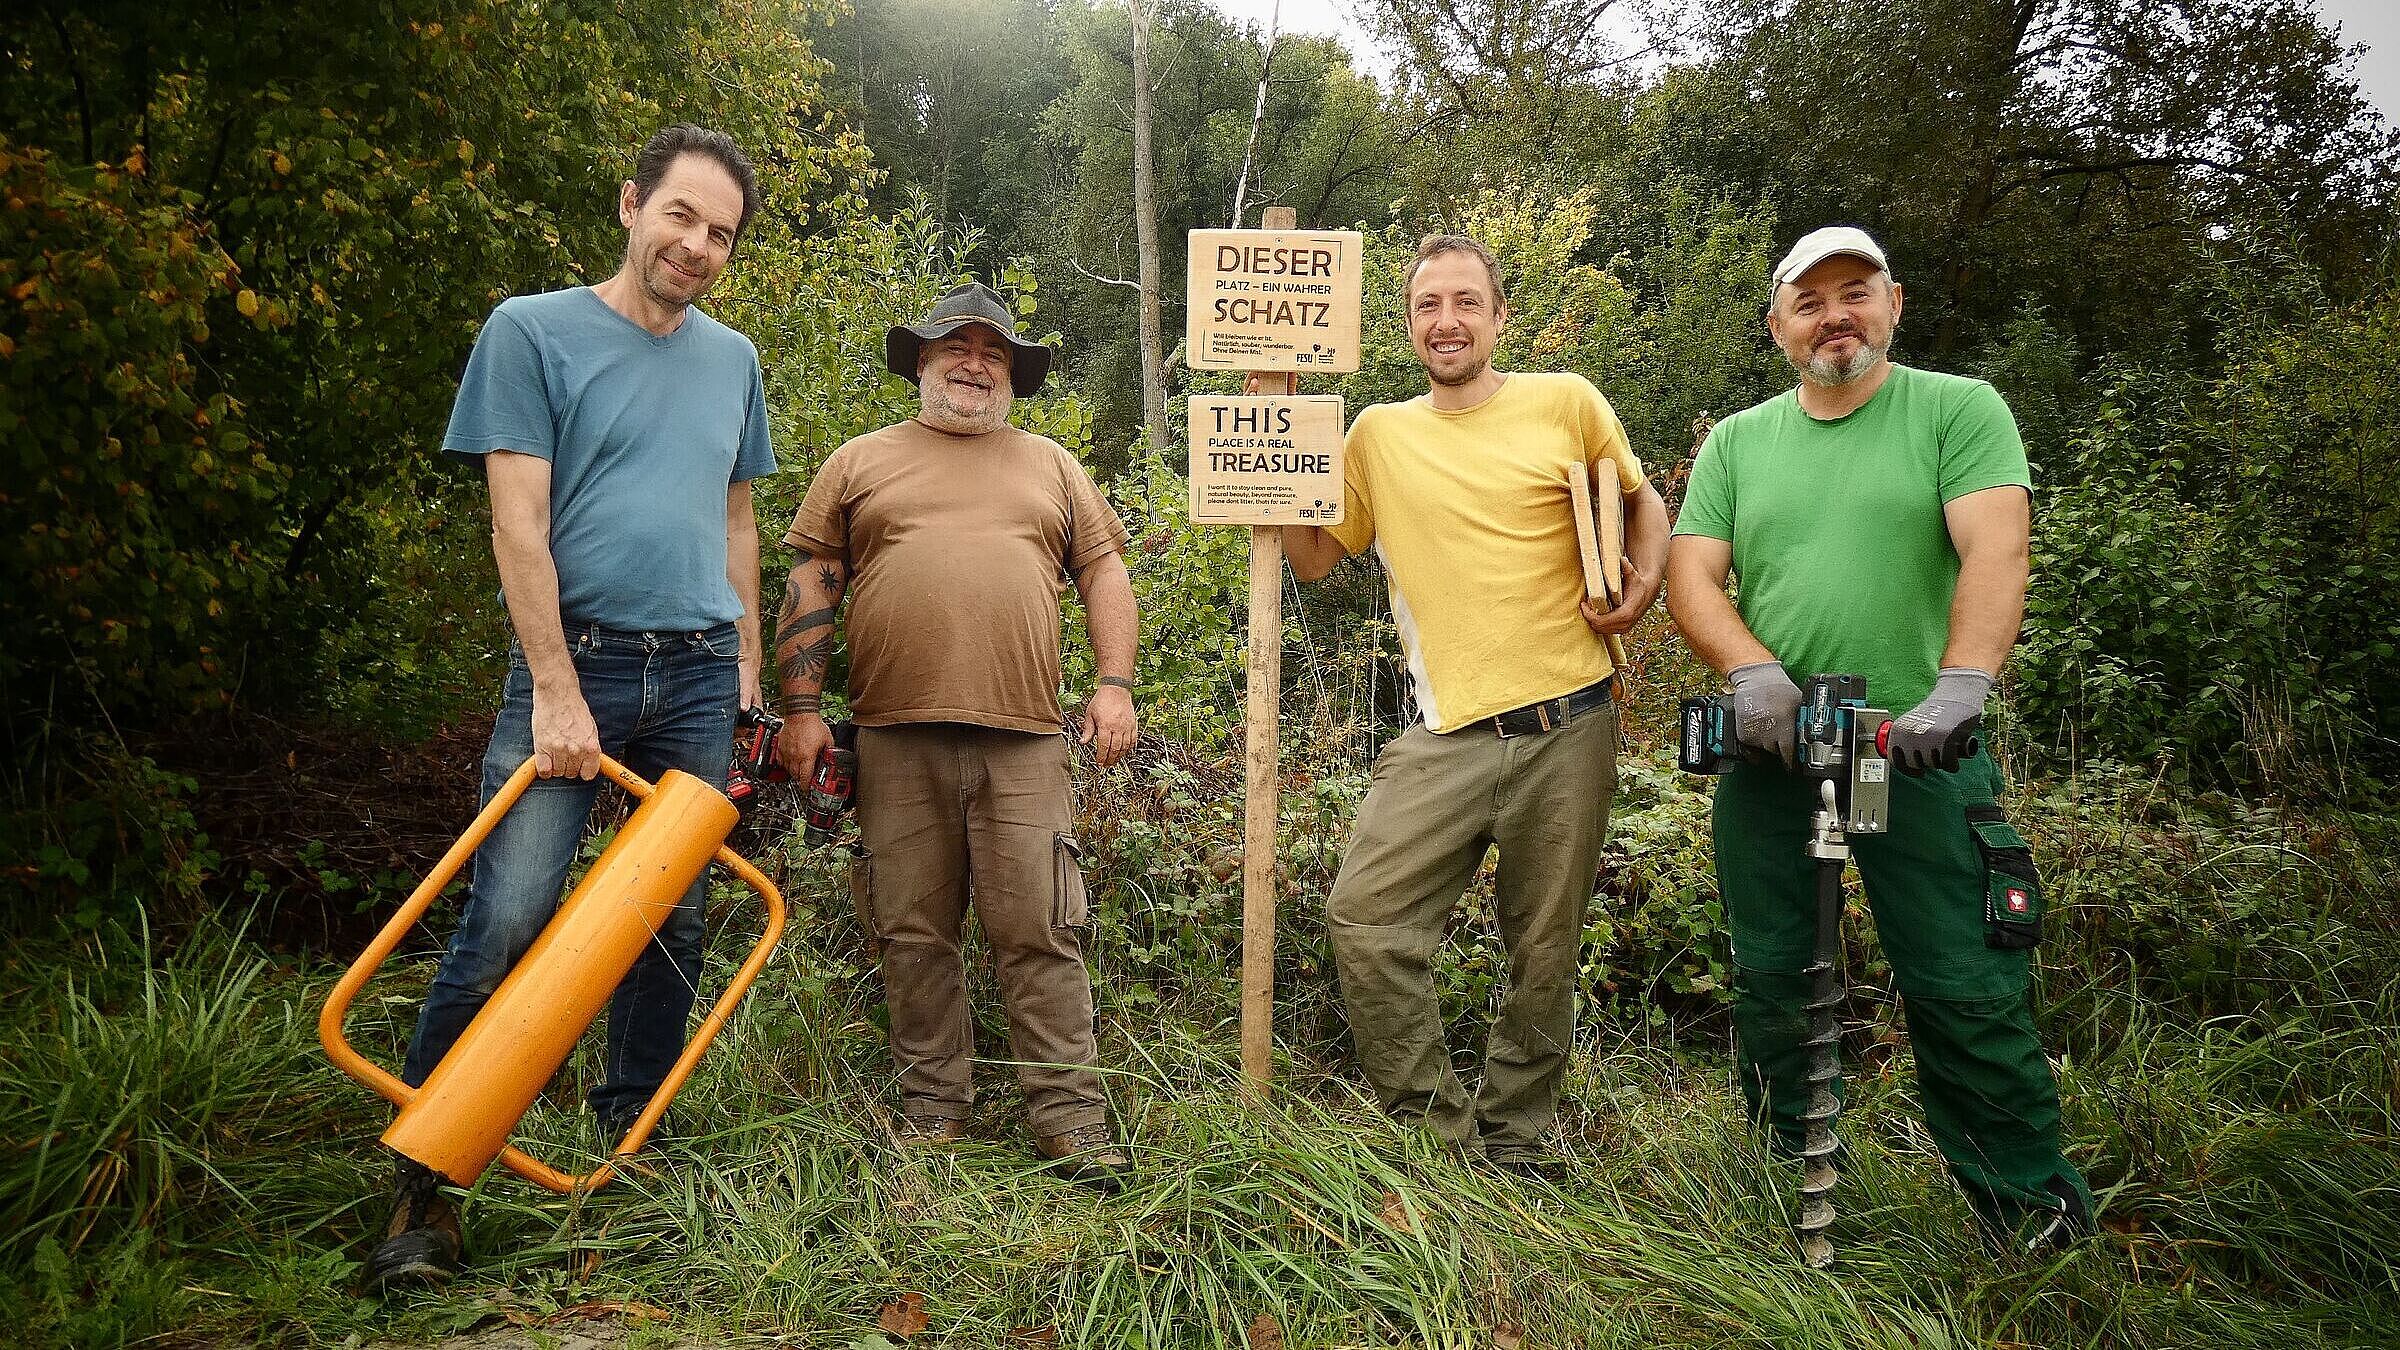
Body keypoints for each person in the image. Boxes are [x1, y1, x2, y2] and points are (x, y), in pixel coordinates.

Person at [361, 124, 777, 1292]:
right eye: (681, 216)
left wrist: (744, 659)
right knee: (511, 915)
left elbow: (738, 517)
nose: (696, 246)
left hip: (698, 668)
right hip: (577, 661)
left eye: (721, 235)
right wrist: (552, 689)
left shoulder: (732, 359)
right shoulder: (530, 331)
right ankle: (425, 1190)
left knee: (671, 922)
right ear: (632, 203)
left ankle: (628, 1153)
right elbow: (518, 525)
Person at [1665, 225, 2095, 1248]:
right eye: (1810, 302)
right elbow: (1691, 574)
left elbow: (1997, 545)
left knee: (1959, 978)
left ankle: (2026, 1212)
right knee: (1775, 972)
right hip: (1782, 754)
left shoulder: (1956, 411)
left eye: (1854, 292)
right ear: (1778, 327)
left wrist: (1962, 684)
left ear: (1894, 302)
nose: (1835, 316)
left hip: (1904, 748)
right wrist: (1750, 670)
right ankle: (1793, 1168)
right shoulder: (1739, 442)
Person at [1282, 235, 1669, 1175]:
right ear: (1407, 324)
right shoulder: (1377, 434)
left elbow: (1644, 502)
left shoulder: (1565, 403)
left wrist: (1644, 585)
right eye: (1426, 306)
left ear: (1499, 317)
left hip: (1570, 720)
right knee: (1365, 920)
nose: (1445, 322)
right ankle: (1435, 1131)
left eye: (1465, 303)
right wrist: (1276, 454)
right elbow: (1316, 557)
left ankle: (1519, 1139)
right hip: (1445, 730)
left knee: (1543, 948)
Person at [772, 281, 1139, 1190]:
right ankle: (933, 1113)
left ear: (1010, 374)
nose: (975, 364)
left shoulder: (1052, 464)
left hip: (1025, 741)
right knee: (912, 932)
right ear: (921, 364)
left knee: (1044, 928)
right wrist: (804, 710)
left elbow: (1104, 574)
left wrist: (1115, 685)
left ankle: (1070, 1123)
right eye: (956, 348)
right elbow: (813, 584)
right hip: (894, 740)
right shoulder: (860, 461)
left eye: (994, 353)